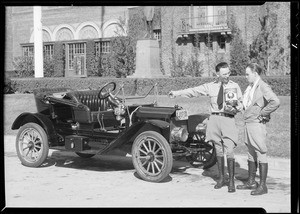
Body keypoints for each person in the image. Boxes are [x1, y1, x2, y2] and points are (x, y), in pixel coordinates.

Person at [169, 62, 243, 193]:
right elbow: (194, 91)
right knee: (219, 150)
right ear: (217, 74)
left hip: (228, 119)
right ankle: (221, 179)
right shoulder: (210, 86)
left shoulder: (234, 86)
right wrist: (176, 93)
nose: (227, 76)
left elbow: (242, 103)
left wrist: (237, 108)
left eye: (228, 73)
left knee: (229, 150)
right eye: (224, 73)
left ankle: (231, 181)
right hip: (214, 119)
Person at [236, 63, 280, 195]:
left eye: (247, 74)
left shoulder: (262, 86)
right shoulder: (251, 87)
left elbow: (275, 101)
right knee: (251, 152)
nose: (245, 76)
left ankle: (262, 186)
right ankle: (251, 182)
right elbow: (249, 103)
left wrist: (263, 113)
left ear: (255, 74)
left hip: (256, 123)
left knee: (260, 152)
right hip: (248, 122)